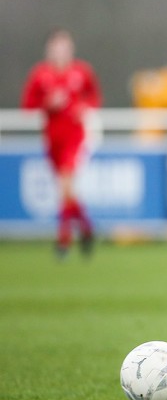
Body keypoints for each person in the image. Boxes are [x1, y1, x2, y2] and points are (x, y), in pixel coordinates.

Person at [21, 28, 102, 259]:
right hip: (52, 138)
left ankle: (63, 240)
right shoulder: (40, 74)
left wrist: (83, 108)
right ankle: (86, 229)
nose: (60, 51)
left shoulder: (82, 71)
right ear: (49, 50)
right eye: (56, 47)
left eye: (64, 47)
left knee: (65, 185)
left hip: (75, 137)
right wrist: (48, 103)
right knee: (65, 191)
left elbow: (94, 98)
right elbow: (27, 105)